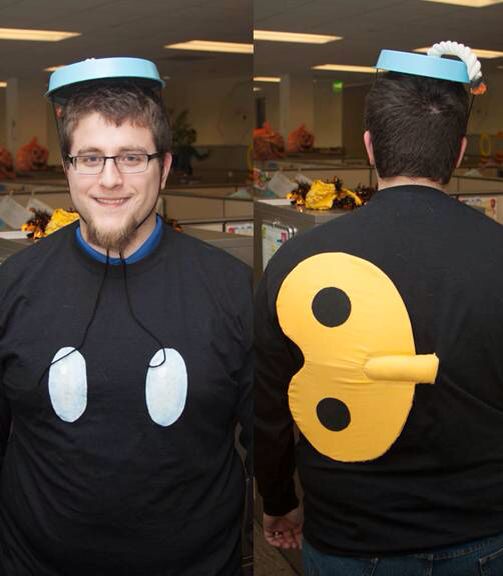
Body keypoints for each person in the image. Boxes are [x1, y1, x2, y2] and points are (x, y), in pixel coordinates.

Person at [254, 41, 503, 575]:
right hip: (483, 533)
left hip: (348, 535)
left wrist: (278, 501)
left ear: (370, 146)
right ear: (459, 152)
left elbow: (269, 410)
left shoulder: (297, 262)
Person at [0, 58, 252, 576]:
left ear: (163, 167)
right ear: (66, 168)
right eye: (90, 158)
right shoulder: (12, 287)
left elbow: (261, 433)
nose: (109, 180)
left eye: (131, 157)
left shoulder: (231, 289)